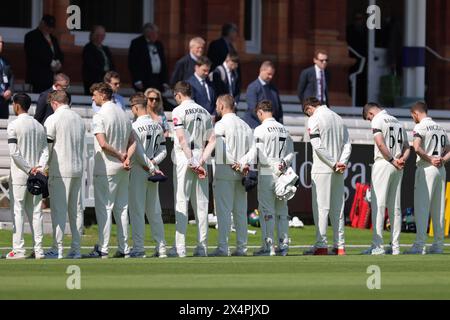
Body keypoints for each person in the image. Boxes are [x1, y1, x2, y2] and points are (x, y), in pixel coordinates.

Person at [84, 83, 133, 259]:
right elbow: (133, 141)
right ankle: (124, 248)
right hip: (122, 168)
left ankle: (103, 248)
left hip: (106, 167)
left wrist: (121, 156)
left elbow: (103, 144)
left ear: (103, 95)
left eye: (95, 94)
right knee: (121, 208)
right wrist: (126, 158)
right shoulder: (123, 113)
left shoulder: (100, 116)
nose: (92, 98)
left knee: (105, 208)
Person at [169, 81, 216, 258]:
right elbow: (212, 139)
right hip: (201, 156)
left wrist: (191, 160)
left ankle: (180, 247)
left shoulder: (178, 111)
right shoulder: (204, 111)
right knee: (202, 204)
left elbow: (182, 139)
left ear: (179, 95)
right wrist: (201, 160)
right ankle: (202, 246)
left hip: (184, 157)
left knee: (182, 201)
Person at [302, 97, 352, 256]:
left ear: (310, 107)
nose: (307, 115)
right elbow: (347, 144)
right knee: (338, 208)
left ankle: (321, 245)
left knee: (321, 208)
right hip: (338, 169)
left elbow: (317, 146)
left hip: (323, 168)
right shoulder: (338, 118)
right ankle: (340, 246)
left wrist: (333, 163)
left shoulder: (314, 118)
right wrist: (341, 162)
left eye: (306, 112)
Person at [362, 102, 410, 255]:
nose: (370, 121)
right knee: (395, 207)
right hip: (397, 165)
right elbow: (407, 147)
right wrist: (401, 159)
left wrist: (391, 160)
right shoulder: (397, 121)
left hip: (384, 163)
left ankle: (378, 246)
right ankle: (395, 247)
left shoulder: (377, 120)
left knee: (379, 205)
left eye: (368, 118)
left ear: (370, 113)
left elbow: (380, 144)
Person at [248, 100, 294, 256]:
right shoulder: (284, 129)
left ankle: (269, 247)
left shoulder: (260, 129)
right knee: (282, 210)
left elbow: (259, 154)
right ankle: (284, 246)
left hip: (268, 171)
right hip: (282, 171)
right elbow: (290, 154)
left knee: (267, 210)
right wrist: (282, 164)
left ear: (260, 112)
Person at [6, 93, 49, 259]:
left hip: (20, 176)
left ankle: (18, 250)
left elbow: (14, 153)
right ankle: (39, 250)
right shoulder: (38, 126)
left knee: (18, 211)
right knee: (36, 212)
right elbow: (45, 151)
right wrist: (38, 168)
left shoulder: (13, 125)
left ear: (16, 105)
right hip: (36, 175)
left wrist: (28, 169)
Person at [43, 91, 85, 259]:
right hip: (77, 169)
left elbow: (48, 147)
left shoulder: (53, 119)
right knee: (75, 211)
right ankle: (76, 249)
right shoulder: (79, 119)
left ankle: (57, 249)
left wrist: (43, 167)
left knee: (59, 211)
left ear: (54, 103)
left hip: (60, 170)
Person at [210, 94, 253, 257]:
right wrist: (242, 164)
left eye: (216, 105)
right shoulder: (245, 125)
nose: (216, 108)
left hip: (225, 173)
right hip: (241, 174)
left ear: (222, 106)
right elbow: (253, 149)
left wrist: (234, 163)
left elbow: (220, 148)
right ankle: (242, 248)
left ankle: (223, 247)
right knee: (240, 212)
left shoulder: (220, 125)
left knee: (224, 211)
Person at [404, 101, 450, 254]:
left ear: (416, 113)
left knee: (422, 207)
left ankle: (419, 245)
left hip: (427, 168)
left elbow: (416, 147)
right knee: (438, 208)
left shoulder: (420, 126)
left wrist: (430, 159)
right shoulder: (440, 127)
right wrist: (442, 160)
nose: (413, 119)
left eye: (413, 116)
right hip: (441, 169)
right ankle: (438, 245)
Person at [128, 93, 167, 258]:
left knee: (137, 210)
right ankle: (162, 247)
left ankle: (138, 248)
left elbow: (138, 153)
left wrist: (149, 166)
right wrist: (154, 164)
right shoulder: (158, 125)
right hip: (153, 170)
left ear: (136, 108)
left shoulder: (134, 126)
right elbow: (164, 150)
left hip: (140, 170)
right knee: (154, 210)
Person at [24, 15, 64, 93]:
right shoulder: (31, 36)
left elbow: (59, 53)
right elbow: (34, 54)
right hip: (38, 77)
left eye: (51, 27)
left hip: (52, 76)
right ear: (42, 23)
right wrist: (50, 62)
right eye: (48, 26)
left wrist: (59, 62)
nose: (50, 29)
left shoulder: (53, 38)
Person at [128, 23, 168, 93]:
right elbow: (133, 63)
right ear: (148, 33)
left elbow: (163, 63)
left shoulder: (159, 44)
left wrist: (165, 81)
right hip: (144, 80)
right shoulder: (137, 43)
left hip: (157, 79)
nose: (156, 35)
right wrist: (137, 80)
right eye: (154, 33)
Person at [244, 61, 283, 129]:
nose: (271, 77)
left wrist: (280, 124)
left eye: (272, 75)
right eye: (269, 74)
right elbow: (253, 109)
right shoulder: (253, 87)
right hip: (256, 125)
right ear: (261, 70)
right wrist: (267, 122)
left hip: (272, 127)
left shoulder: (273, 88)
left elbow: (279, 109)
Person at [82, 25, 115, 95]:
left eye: (102, 35)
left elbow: (111, 64)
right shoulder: (88, 48)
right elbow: (91, 65)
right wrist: (105, 75)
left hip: (107, 81)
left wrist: (112, 76)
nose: (100, 37)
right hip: (94, 81)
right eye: (98, 35)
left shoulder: (105, 49)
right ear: (93, 35)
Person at [0, 35, 13, 119]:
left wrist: (10, 90)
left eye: (2, 42)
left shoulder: (5, 62)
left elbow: (10, 78)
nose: (1, 44)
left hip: (4, 103)